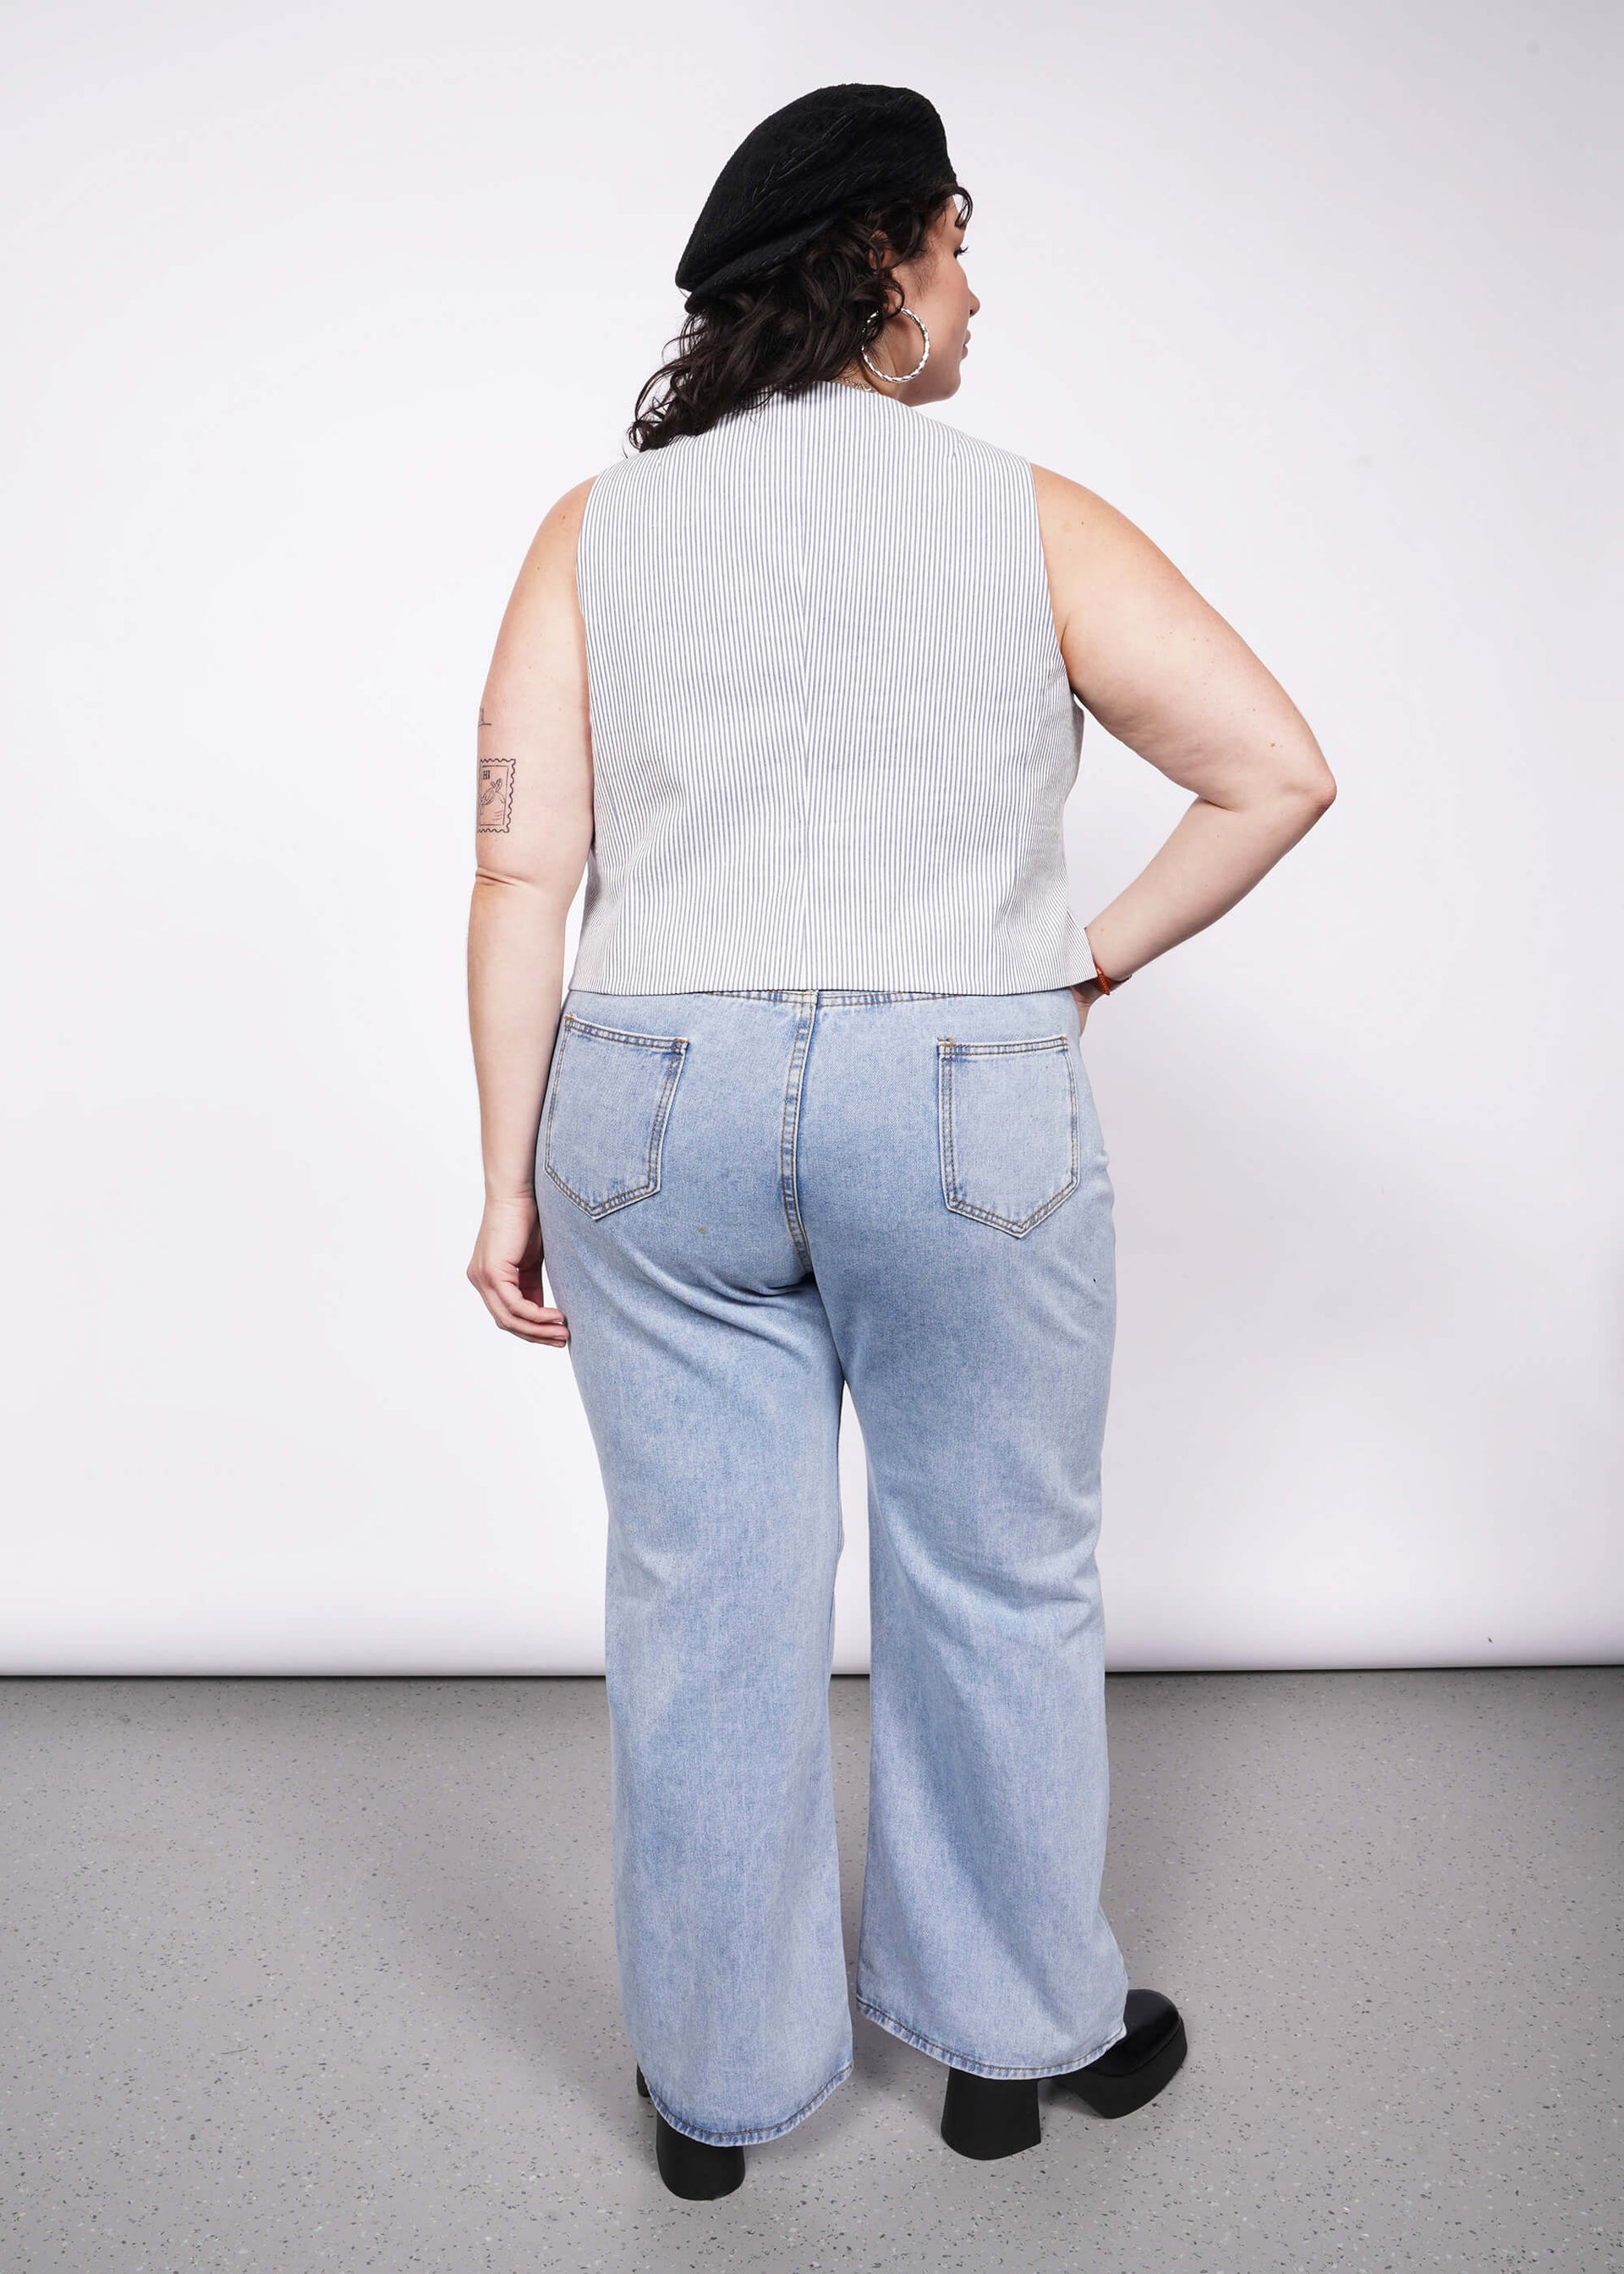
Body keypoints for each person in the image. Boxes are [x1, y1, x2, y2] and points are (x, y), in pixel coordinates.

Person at [465, 82, 1336, 2203]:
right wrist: (1076, 970)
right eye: (956, 238)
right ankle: (1006, 2044)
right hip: (964, 1086)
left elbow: (518, 873)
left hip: (650, 1100)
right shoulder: (1030, 516)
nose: (972, 285)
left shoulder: (595, 527)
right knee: (1000, 1571)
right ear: (880, 260)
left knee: (703, 1595)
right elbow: (1274, 771)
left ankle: (715, 2089)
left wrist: (502, 1173)